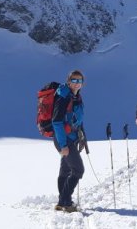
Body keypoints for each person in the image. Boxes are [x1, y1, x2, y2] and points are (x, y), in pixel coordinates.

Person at [52, 70, 86, 212]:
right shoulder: (64, 96)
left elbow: (77, 120)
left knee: (65, 170)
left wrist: (82, 135)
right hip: (64, 140)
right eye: (74, 80)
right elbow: (57, 122)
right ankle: (66, 202)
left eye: (79, 81)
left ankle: (61, 202)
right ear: (68, 81)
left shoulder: (75, 96)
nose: (76, 84)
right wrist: (63, 145)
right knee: (78, 170)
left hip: (71, 138)